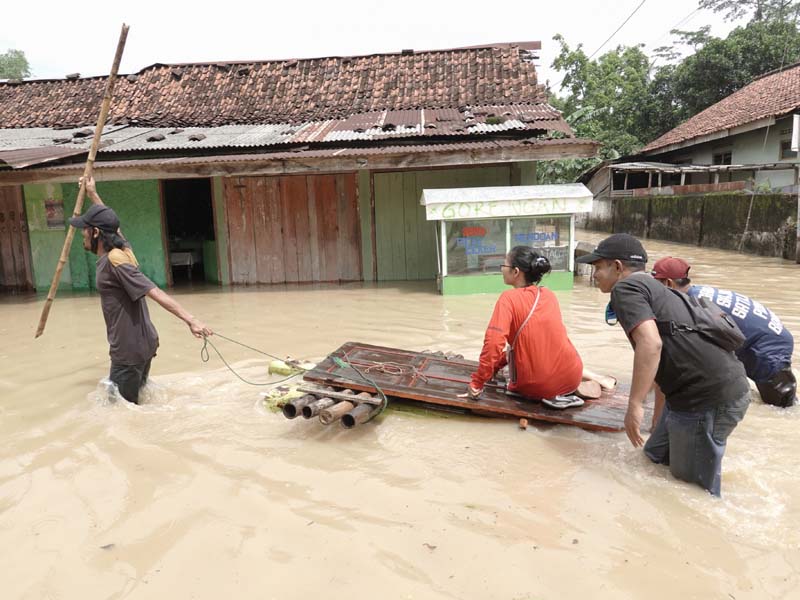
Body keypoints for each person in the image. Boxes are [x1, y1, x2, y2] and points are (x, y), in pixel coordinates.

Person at [577, 233, 750, 496]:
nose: (595, 274)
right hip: (707, 390)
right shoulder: (659, 289)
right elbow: (669, 352)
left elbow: (651, 344)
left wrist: (634, 404)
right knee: (653, 457)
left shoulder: (626, 289)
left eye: (598, 267)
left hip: (705, 398)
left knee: (691, 493)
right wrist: (658, 412)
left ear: (618, 267)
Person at [70, 176, 213, 404]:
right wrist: (92, 194)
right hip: (143, 344)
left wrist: (191, 320)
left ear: (96, 232)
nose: (82, 234)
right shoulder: (123, 250)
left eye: (85, 230)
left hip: (127, 351)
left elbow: (154, 291)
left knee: (119, 411)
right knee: (138, 401)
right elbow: (114, 227)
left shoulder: (115, 263)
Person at [651, 256, 796, 408]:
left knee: (781, 408)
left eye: (655, 286)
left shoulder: (693, 306)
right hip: (768, 337)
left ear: (668, 283)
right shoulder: (698, 293)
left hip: (768, 347)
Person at [463, 246, 584, 401]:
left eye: (504, 265)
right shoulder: (548, 294)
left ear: (515, 272)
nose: (502, 270)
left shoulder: (508, 299)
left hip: (538, 387)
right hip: (572, 377)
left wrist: (478, 382)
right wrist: (495, 366)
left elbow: (493, 343)